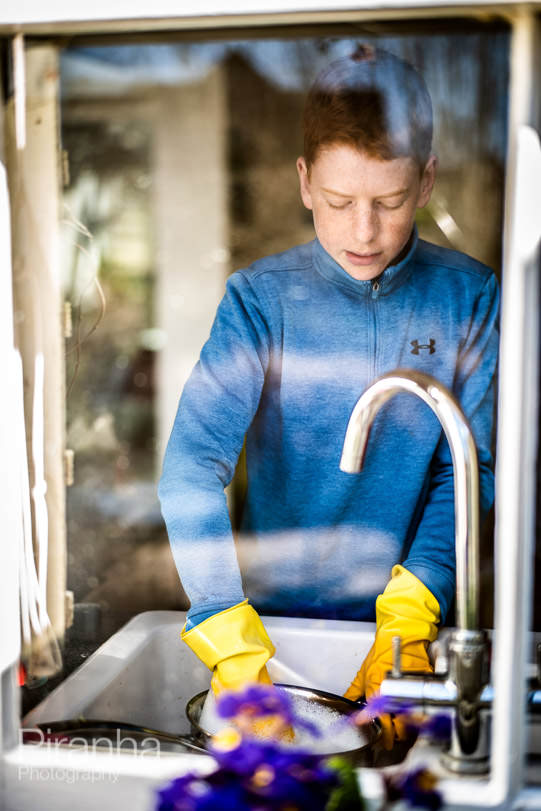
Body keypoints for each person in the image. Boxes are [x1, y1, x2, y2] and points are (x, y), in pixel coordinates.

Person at [158, 44, 499, 748]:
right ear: (305, 180)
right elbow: (193, 465)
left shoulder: (470, 298)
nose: (363, 231)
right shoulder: (258, 300)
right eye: (341, 202)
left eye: (390, 201)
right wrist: (226, 627)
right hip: (269, 623)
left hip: (408, 626)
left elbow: (469, 470)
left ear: (427, 180)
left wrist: (413, 607)